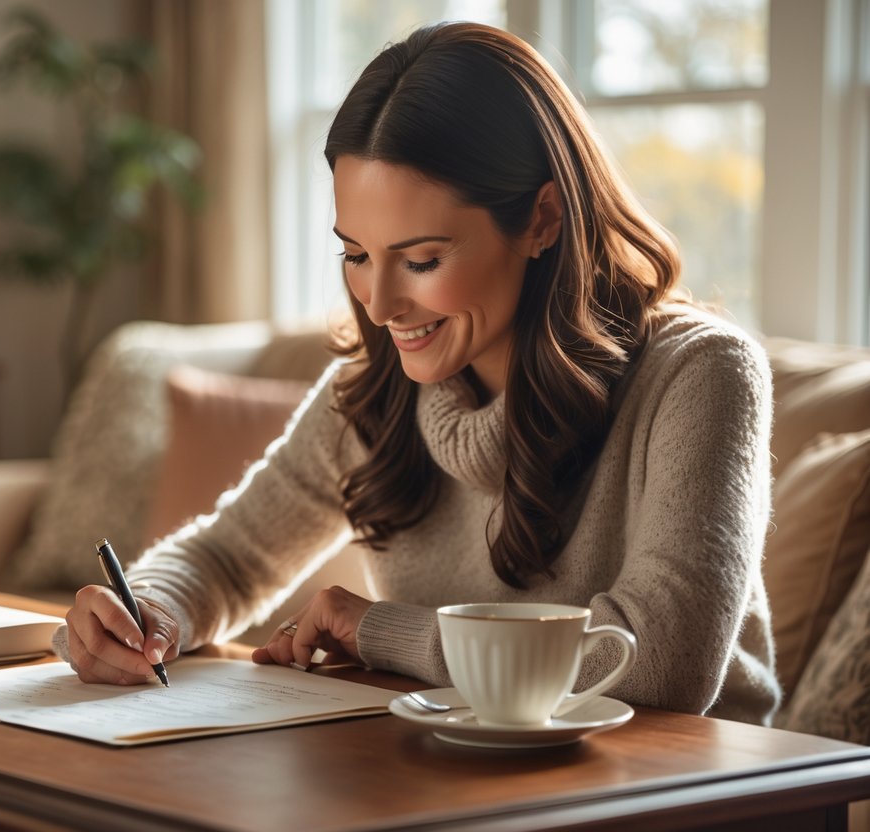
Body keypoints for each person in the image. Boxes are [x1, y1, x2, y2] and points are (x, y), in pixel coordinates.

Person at [61, 23, 779, 725]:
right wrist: (147, 610)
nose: (378, 305)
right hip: (455, 775)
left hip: (690, 786)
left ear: (542, 218)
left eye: (422, 260)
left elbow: (660, 663)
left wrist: (382, 631)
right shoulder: (379, 386)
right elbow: (230, 555)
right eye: (356, 253)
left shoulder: (699, 373)